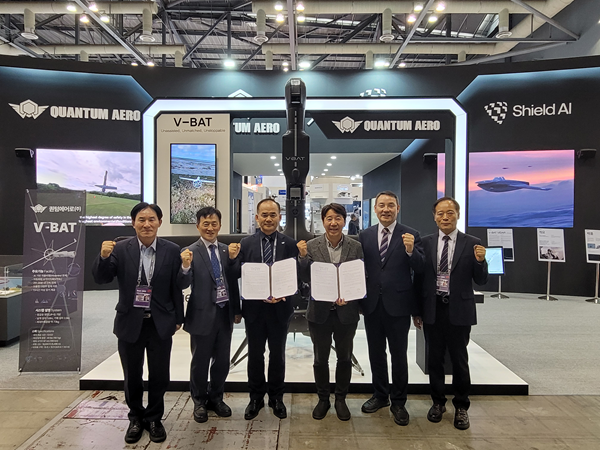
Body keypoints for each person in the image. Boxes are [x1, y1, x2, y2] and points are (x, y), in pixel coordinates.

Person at [92, 203, 184, 444]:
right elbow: (101, 278)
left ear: (160, 222)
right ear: (133, 223)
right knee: (132, 375)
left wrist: (178, 318)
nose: (146, 224)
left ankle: (154, 418)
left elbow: (176, 287)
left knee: (159, 375)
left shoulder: (172, 250)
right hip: (130, 322)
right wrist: (103, 257)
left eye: (151, 219)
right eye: (141, 219)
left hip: (159, 322)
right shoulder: (121, 249)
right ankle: (135, 418)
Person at [413, 197, 488, 430]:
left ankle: (462, 406)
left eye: (450, 213)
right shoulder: (425, 243)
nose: (445, 217)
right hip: (433, 309)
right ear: (434, 216)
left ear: (457, 215)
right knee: (434, 359)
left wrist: (481, 261)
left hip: (459, 310)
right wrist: (417, 311)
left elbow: (481, 280)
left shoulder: (472, 243)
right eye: (440, 213)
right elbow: (419, 279)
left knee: (459, 360)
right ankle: (437, 403)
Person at [358, 191, 425, 426]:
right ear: (375, 209)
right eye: (381, 205)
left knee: (398, 355)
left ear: (398, 208)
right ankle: (380, 395)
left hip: (399, 306)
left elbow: (421, 268)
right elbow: (359, 269)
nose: (386, 209)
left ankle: (398, 401)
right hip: (372, 305)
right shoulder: (364, 235)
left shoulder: (411, 234)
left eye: (390, 205)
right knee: (376, 354)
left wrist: (410, 250)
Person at [229, 198, 299, 420]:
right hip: (254, 310)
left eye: (273, 215)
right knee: (255, 355)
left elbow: (296, 276)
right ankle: (256, 397)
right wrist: (232, 258)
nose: (269, 219)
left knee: (278, 355)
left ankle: (277, 397)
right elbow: (235, 274)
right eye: (264, 215)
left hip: (280, 309)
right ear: (257, 217)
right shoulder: (246, 243)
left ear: (280, 217)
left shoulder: (290, 244)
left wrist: (285, 293)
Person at [297, 203, 364, 421]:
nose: (333, 223)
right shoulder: (312, 245)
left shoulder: (355, 246)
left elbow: (359, 277)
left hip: (347, 312)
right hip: (319, 312)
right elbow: (304, 277)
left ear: (344, 221)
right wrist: (302, 257)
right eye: (329, 218)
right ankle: (323, 399)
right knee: (320, 358)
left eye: (338, 218)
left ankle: (341, 399)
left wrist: (351, 296)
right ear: (323, 221)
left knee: (344, 358)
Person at [179, 207, 242, 424]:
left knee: (222, 362)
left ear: (220, 226)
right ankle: (199, 401)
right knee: (200, 362)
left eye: (214, 223)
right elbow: (182, 283)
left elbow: (233, 281)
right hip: (201, 316)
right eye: (205, 224)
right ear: (198, 226)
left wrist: (236, 310)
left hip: (224, 314)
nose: (210, 228)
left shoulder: (226, 250)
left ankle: (216, 398)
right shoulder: (189, 251)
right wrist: (185, 267)